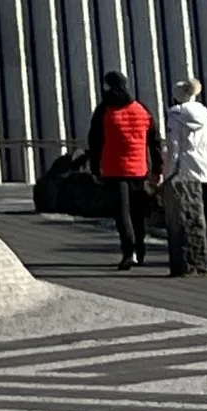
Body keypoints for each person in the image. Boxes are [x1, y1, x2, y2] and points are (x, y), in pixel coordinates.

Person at [159, 78, 207, 279]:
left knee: (184, 219)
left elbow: (174, 148)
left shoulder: (176, 116)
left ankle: (186, 264)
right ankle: (201, 261)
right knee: (201, 216)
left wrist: (167, 173)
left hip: (185, 171)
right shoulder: (206, 116)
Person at [89, 71, 157, 269]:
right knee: (137, 213)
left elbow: (95, 142)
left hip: (113, 169)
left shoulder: (104, 110)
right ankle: (140, 251)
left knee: (122, 213)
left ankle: (128, 253)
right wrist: (157, 167)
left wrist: (95, 169)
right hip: (139, 169)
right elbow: (153, 140)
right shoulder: (141, 109)